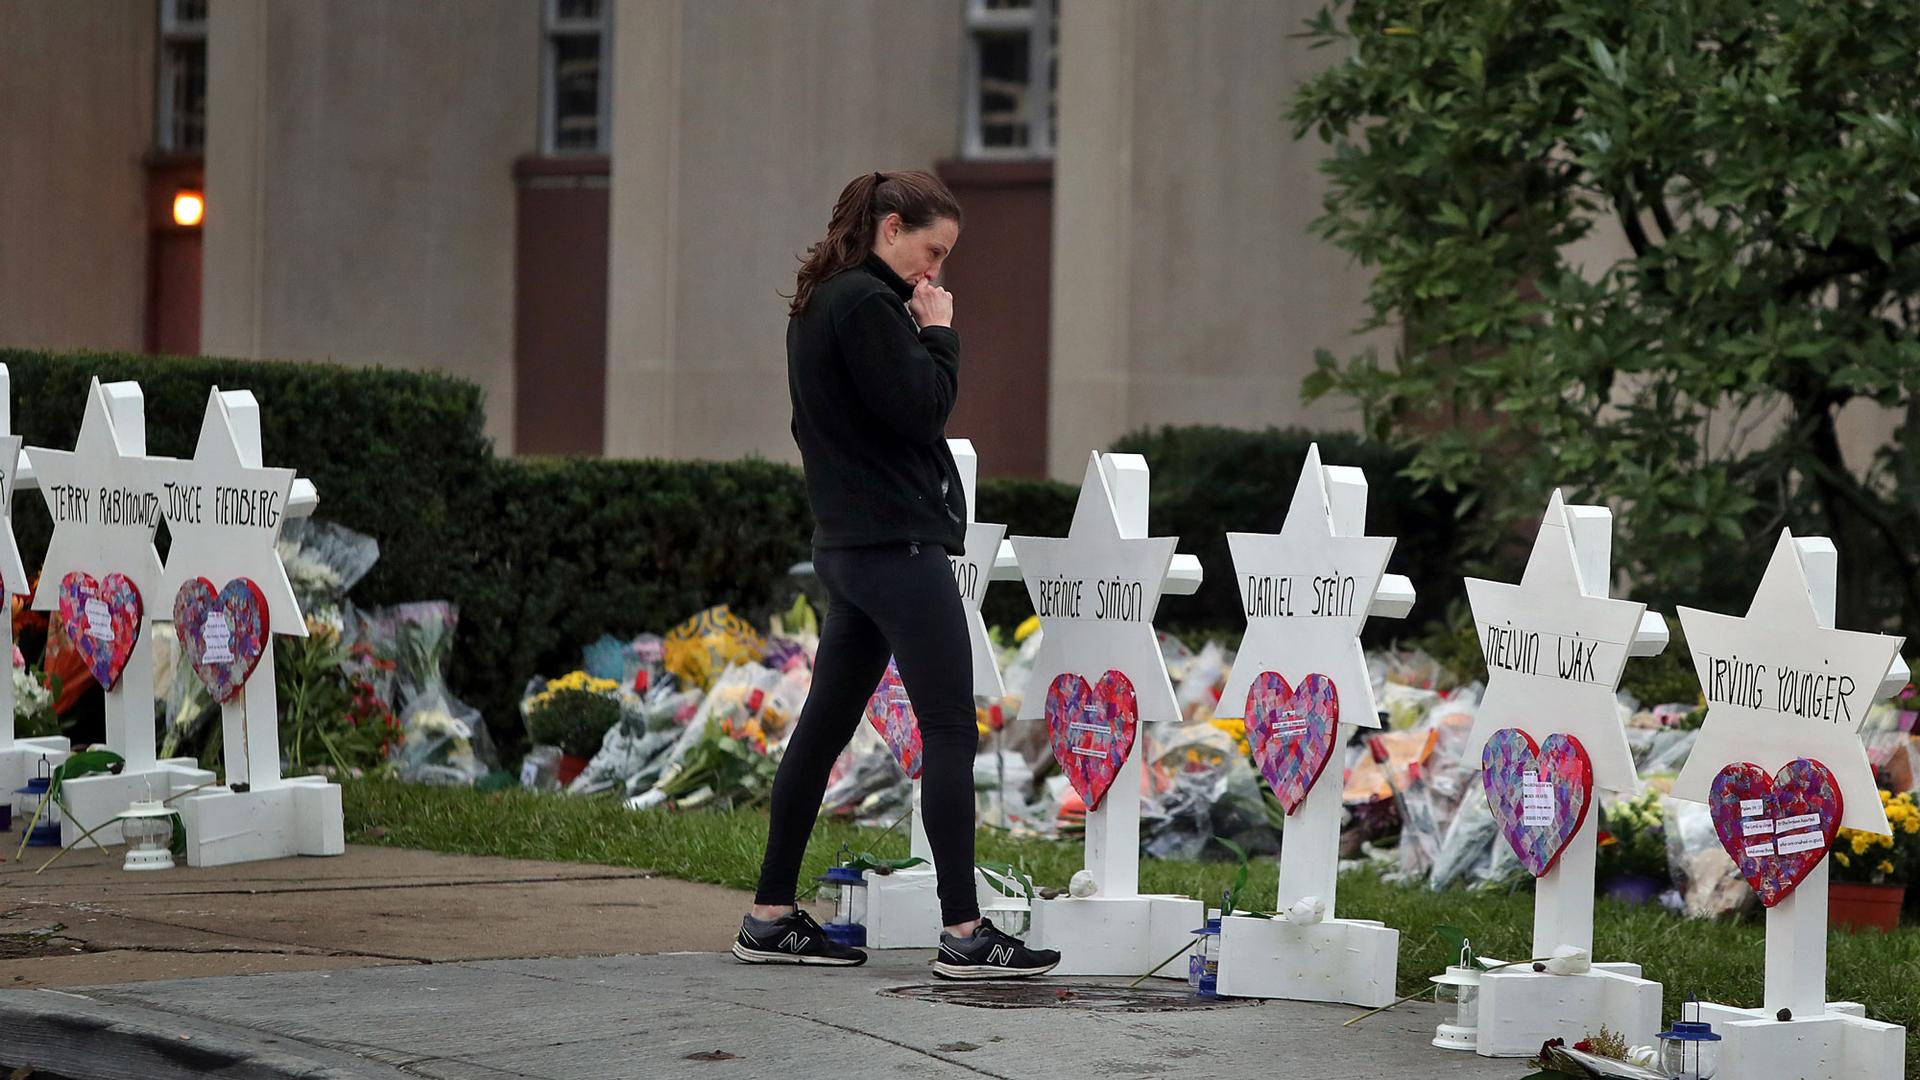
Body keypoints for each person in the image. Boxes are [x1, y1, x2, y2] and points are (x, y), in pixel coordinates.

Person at [734, 170, 1059, 979]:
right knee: (952, 728)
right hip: (896, 549)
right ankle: (964, 932)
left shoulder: (822, 303)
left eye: (944, 261)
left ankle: (770, 917)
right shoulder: (870, 306)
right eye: (931, 250)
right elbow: (921, 410)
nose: (935, 273)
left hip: (849, 549)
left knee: (823, 728)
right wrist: (939, 332)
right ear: (889, 227)